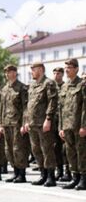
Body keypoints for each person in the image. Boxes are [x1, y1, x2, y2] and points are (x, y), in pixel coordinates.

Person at [21, 62, 58, 187]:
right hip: (32, 123)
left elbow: (52, 102)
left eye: (34, 69)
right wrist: (26, 121)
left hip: (43, 123)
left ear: (41, 70)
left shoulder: (49, 83)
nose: (32, 72)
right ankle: (43, 174)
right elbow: (28, 105)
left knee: (47, 149)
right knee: (36, 150)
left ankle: (51, 176)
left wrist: (48, 119)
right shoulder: (32, 85)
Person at [0, 65, 29, 183]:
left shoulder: (22, 88)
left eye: (9, 72)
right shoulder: (5, 89)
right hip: (6, 123)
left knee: (18, 149)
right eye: (5, 72)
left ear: (15, 73)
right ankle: (15, 172)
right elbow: (2, 108)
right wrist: (0, 124)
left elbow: (26, 107)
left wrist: (24, 123)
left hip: (17, 123)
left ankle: (22, 174)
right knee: (8, 149)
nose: (7, 74)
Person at [59, 59, 86, 190]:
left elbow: (85, 108)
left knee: (82, 152)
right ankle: (75, 177)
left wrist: (84, 125)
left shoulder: (82, 84)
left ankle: (83, 178)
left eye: (69, 67)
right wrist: (61, 127)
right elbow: (61, 108)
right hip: (67, 126)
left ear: (76, 69)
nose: (66, 70)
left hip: (78, 125)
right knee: (70, 152)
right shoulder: (64, 86)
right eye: (66, 68)